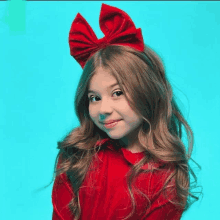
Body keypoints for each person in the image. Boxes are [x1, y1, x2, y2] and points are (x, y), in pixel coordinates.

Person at [51, 3, 200, 220]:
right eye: (94, 98)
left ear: (146, 91)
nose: (104, 109)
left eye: (118, 93)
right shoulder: (77, 157)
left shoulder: (165, 179)